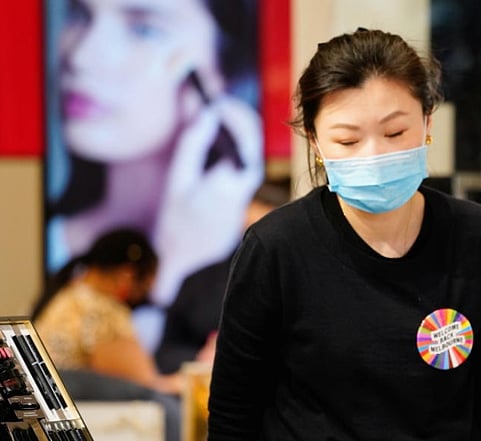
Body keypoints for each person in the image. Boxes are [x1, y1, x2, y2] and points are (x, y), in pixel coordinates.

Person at [206, 28, 481, 440]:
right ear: (315, 140)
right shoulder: (277, 248)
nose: (374, 156)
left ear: (427, 121)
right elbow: (234, 412)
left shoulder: (479, 237)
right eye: (348, 139)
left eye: (395, 133)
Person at [45, 0, 264, 352]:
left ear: (217, 73)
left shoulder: (252, 250)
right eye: (80, 15)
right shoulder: (59, 245)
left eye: (143, 28)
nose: (81, 54)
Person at [32, 228, 182, 441]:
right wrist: (186, 382)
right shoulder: (101, 310)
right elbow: (146, 383)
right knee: (166, 407)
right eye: (145, 288)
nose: (144, 299)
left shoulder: (64, 297)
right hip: (80, 414)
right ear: (127, 275)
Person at [154, 177, 292, 375]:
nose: (257, 243)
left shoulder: (298, 283)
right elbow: (166, 352)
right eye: (250, 230)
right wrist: (201, 357)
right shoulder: (199, 282)